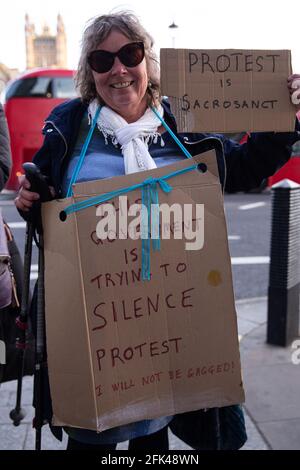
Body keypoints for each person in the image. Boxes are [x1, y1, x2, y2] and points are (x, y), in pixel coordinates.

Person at [15, 11, 300, 451]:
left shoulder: (181, 125)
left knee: (153, 442)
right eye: (102, 59)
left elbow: (243, 168)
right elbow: (54, 214)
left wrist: (287, 119)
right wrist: (31, 201)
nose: (119, 69)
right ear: (90, 72)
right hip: (94, 330)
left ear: (147, 59)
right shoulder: (69, 127)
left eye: (129, 54)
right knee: (90, 442)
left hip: (167, 323)